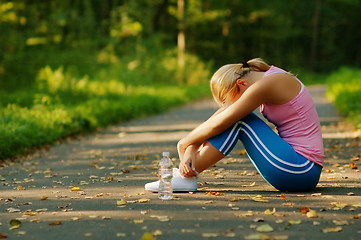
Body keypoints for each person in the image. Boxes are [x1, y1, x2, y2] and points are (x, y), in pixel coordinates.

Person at [145, 58, 324, 192]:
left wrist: (183, 143)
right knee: (236, 118)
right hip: (295, 167)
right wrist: (191, 147)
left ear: (241, 83)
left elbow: (224, 120)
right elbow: (219, 116)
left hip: (301, 169)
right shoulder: (268, 77)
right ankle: (187, 173)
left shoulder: (269, 83)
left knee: (239, 120)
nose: (238, 104)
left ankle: (187, 176)